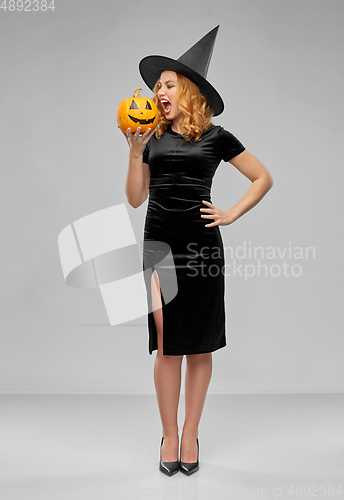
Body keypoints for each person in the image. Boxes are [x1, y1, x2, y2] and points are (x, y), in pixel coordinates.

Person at [121, 26, 273, 476]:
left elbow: (262, 177)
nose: (159, 92)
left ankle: (191, 432)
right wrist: (133, 152)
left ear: (186, 91)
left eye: (167, 85)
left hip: (202, 247)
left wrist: (230, 214)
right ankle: (169, 434)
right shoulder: (146, 136)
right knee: (167, 344)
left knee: (199, 346)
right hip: (159, 247)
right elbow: (134, 199)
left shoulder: (217, 136)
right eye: (156, 86)